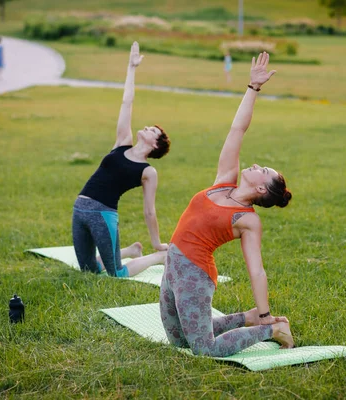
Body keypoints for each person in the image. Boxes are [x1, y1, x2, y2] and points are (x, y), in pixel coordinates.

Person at [159, 52, 294, 357]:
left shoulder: (247, 220)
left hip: (195, 275)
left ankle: (270, 329)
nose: (257, 164)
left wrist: (265, 315)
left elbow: (256, 270)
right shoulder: (225, 180)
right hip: (172, 266)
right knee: (179, 342)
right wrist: (252, 88)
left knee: (203, 350)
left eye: (264, 170)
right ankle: (244, 319)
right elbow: (237, 130)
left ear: (261, 187)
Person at [72, 41, 171, 278]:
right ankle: (131, 250)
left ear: (155, 145)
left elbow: (149, 211)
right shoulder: (122, 141)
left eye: (152, 131)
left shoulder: (148, 172)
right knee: (88, 270)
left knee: (115, 273)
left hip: (103, 214)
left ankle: (158, 258)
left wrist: (157, 245)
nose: (146, 127)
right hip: (80, 208)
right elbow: (127, 102)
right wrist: (131, 68)